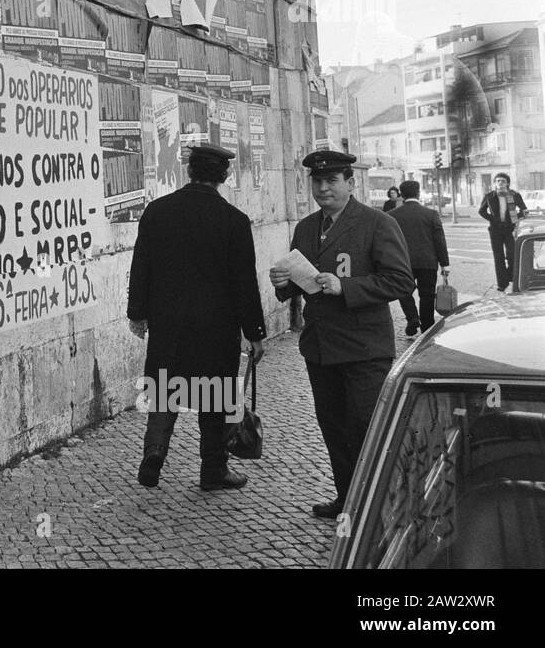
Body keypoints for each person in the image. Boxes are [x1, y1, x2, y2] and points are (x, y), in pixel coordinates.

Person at [268, 150, 412, 519]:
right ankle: (347, 499)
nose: (323, 188)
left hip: (364, 348)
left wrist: (345, 287)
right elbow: (299, 281)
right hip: (320, 347)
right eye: (317, 181)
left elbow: (400, 280)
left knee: (367, 428)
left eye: (332, 180)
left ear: (351, 183)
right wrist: (283, 284)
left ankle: (381, 506)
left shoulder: (377, 223)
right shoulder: (305, 227)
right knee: (333, 426)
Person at [127, 143, 267, 492]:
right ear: (225, 175)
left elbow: (140, 266)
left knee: (164, 391)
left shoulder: (157, 212)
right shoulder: (234, 221)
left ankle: (155, 452)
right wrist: (256, 332)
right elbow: (244, 284)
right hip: (216, 329)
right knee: (215, 397)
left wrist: (137, 314)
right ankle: (213, 471)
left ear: (189, 171)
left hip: (168, 324)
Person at [388, 180, 450, 335]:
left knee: (403, 291)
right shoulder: (431, 214)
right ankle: (427, 327)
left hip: (402, 261)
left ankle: (412, 318)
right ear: (419, 193)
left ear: (401, 195)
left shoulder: (391, 216)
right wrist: (445, 264)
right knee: (427, 294)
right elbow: (439, 240)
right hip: (427, 261)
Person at [478, 172, 529, 291]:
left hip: (510, 230)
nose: (500, 183)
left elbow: (524, 210)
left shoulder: (514, 195)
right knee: (498, 256)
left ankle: (511, 277)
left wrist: (514, 219)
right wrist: (493, 220)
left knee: (512, 255)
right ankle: (502, 283)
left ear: (507, 183)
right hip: (495, 230)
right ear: (495, 183)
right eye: (498, 181)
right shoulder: (489, 196)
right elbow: (481, 211)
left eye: (503, 181)